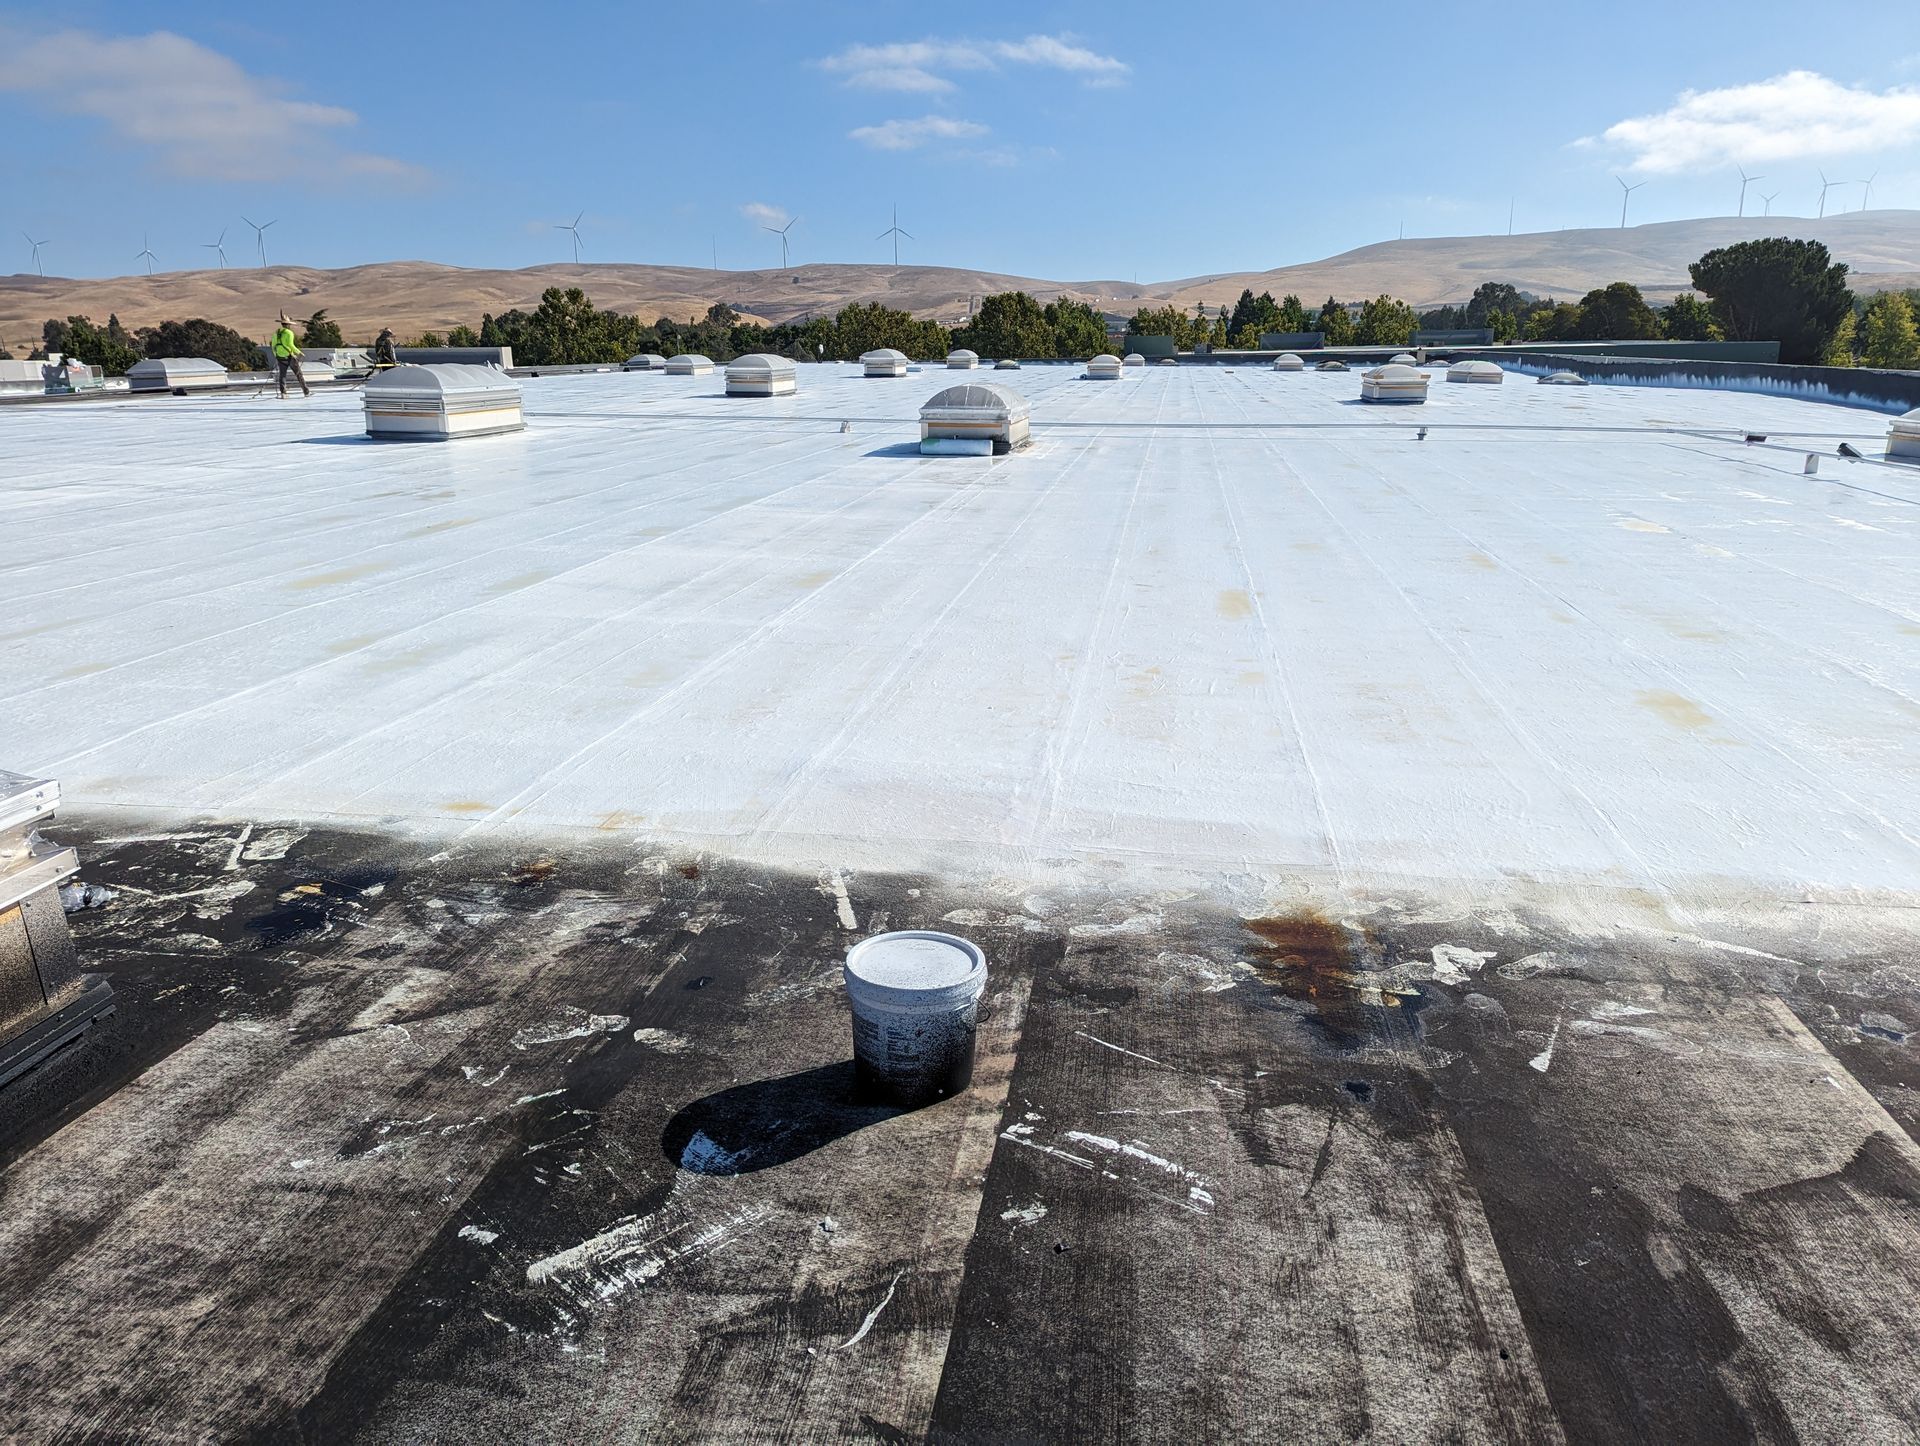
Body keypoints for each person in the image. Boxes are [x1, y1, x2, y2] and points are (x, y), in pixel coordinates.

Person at [271, 313, 310, 398]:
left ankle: (283, 393)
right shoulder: (289, 333)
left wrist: (276, 355)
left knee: (282, 375)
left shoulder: (276, 333)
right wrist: (299, 352)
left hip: (280, 356)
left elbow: (273, 346)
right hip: (289, 356)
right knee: (299, 374)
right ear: (288, 325)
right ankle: (306, 391)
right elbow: (291, 345)